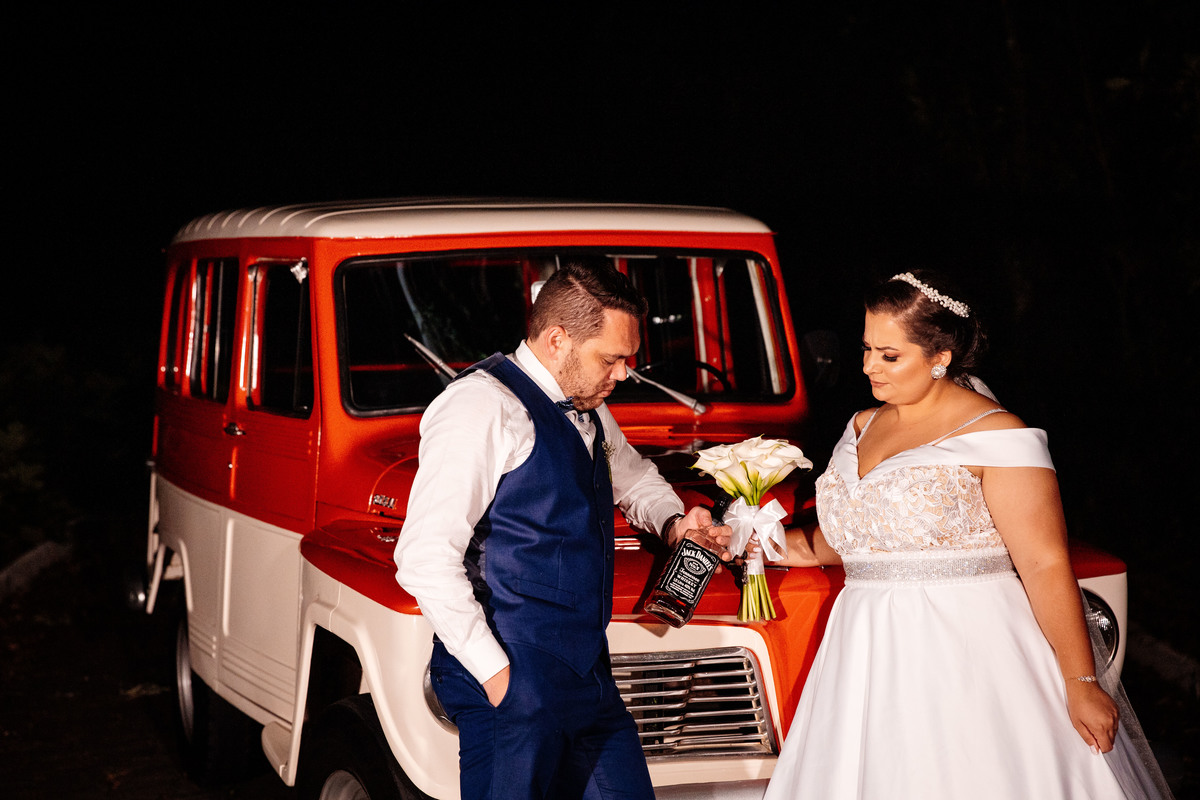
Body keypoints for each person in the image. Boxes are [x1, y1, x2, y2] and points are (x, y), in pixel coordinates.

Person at [763, 271, 1173, 799]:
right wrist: (751, 541)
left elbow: (1045, 562)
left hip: (966, 653)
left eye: (890, 355)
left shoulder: (998, 435)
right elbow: (845, 541)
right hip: (864, 655)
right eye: (866, 348)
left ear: (941, 356)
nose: (868, 367)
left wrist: (1081, 682)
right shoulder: (861, 426)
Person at [394, 261, 734, 800]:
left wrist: (674, 523)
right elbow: (424, 557)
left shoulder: (588, 405)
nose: (622, 374)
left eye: (627, 360)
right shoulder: (480, 406)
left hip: (588, 676)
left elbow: (635, 477)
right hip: (513, 678)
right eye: (611, 359)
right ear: (557, 340)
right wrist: (500, 680)